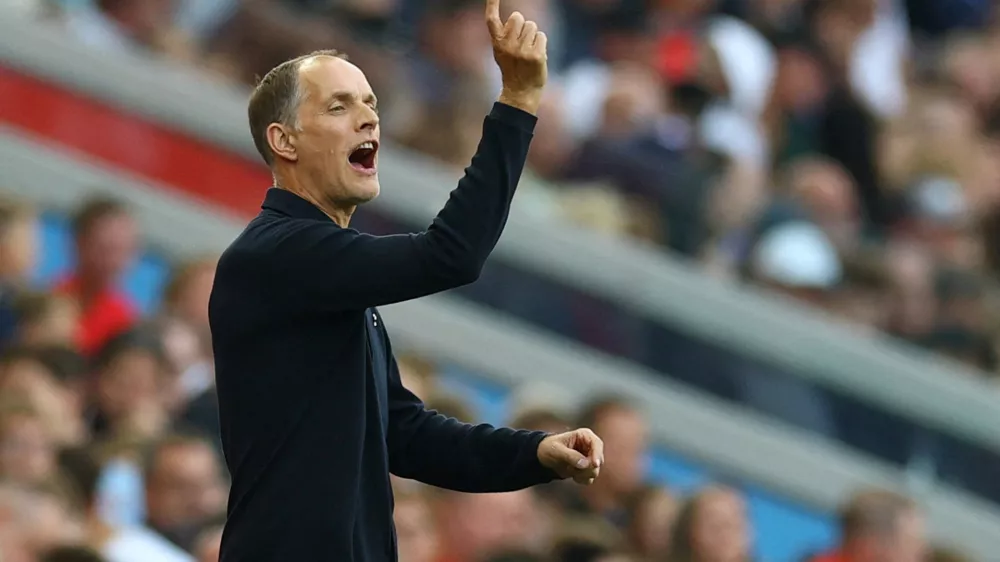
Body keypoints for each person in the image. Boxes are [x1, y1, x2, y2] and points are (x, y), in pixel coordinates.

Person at [208, 1, 605, 561]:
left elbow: (405, 433)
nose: (369, 118)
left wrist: (534, 452)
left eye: (370, 104)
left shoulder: (328, 277)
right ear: (285, 141)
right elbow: (452, 255)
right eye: (339, 106)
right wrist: (516, 103)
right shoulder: (277, 253)